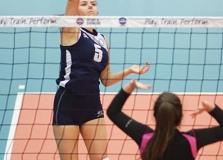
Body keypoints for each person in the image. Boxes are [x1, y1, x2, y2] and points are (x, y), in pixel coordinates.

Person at [52, 1, 150, 160]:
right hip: (67, 105)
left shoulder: (103, 40)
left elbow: (106, 79)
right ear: (75, 12)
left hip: (92, 106)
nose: (90, 6)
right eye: (84, 4)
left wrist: (130, 70)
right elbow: (71, 1)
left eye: (93, 3)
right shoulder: (70, 30)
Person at [107, 80, 223, 160]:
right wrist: (211, 108)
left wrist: (129, 87)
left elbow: (113, 112)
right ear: (180, 116)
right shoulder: (192, 140)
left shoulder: (144, 137)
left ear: (155, 115)